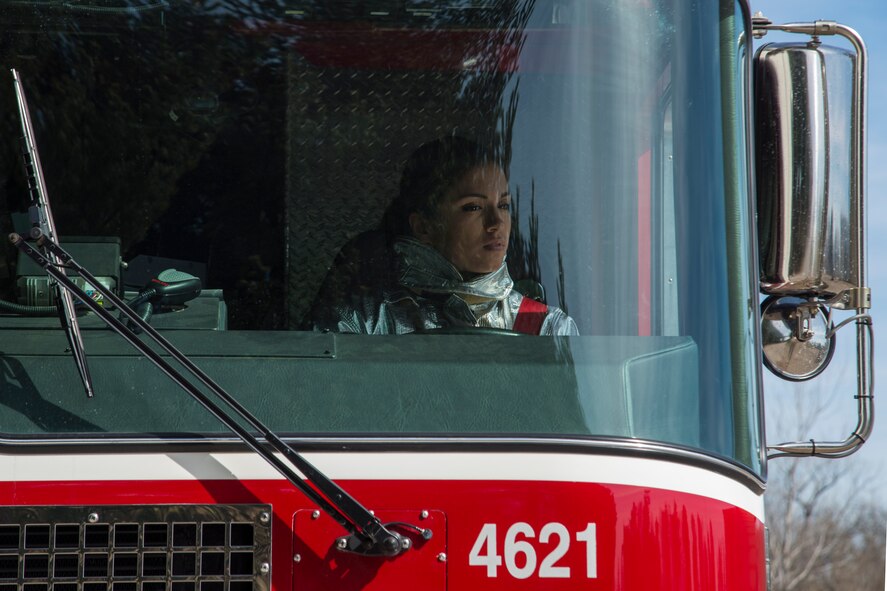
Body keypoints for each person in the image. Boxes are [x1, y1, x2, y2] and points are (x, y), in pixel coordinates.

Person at [312, 136, 578, 335]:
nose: (496, 223)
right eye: (473, 207)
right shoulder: (361, 325)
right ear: (424, 227)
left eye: (504, 205)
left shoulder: (547, 329)